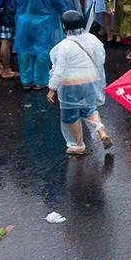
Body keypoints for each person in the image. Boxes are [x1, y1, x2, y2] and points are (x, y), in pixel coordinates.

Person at [48, 10, 110, 155]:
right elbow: (100, 58)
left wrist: (52, 88)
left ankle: (78, 145)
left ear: (64, 26)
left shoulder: (63, 46)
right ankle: (102, 133)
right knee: (89, 109)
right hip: (90, 80)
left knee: (71, 115)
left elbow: (59, 71)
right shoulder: (92, 39)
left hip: (71, 84)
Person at [10, 0, 68, 90]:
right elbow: (58, 1)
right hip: (44, 21)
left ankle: (26, 80)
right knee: (43, 50)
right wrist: (65, 15)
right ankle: (41, 81)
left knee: (24, 50)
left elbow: (13, 1)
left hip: (23, 21)